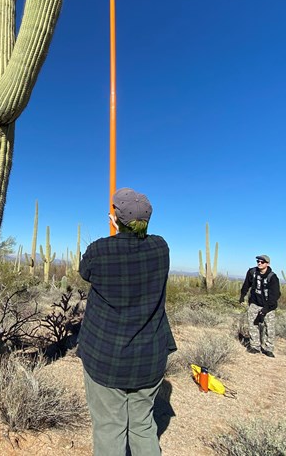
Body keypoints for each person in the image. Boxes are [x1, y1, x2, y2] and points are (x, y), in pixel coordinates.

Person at [77, 188, 177, 456]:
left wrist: (114, 230)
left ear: (116, 218)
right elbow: (138, 242)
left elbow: (84, 271)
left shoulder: (99, 250)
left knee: (110, 426)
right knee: (144, 425)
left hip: (106, 357)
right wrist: (123, 228)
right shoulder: (160, 248)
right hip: (149, 357)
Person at [239, 254, 281, 357]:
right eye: (258, 261)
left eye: (262, 262)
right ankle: (255, 346)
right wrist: (242, 295)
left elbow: (275, 295)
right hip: (254, 303)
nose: (259, 263)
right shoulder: (252, 272)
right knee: (253, 324)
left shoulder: (272, 277)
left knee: (269, 327)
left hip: (269, 306)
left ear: (267, 264)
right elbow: (246, 284)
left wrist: (265, 310)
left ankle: (268, 348)